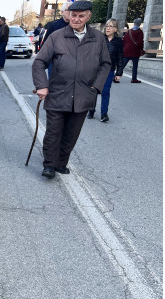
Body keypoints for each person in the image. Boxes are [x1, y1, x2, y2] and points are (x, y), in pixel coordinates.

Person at [32, 0, 111, 179]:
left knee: (71, 133)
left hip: (84, 94)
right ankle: (50, 165)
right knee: (54, 132)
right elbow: (39, 62)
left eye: (80, 16)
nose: (76, 19)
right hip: (58, 92)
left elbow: (105, 64)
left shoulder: (98, 38)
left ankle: (61, 163)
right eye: (73, 15)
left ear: (88, 16)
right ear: (67, 15)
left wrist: (95, 87)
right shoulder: (57, 36)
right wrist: (42, 86)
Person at [87, 19, 123, 122]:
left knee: (105, 92)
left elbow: (120, 57)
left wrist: (119, 72)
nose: (108, 28)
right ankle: (91, 110)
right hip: (96, 69)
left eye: (111, 26)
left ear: (115, 29)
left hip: (109, 70)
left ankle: (104, 114)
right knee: (93, 90)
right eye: (107, 26)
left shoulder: (118, 41)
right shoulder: (100, 38)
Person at [122, 18, 144, 83]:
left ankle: (115, 77)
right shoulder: (140, 32)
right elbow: (140, 42)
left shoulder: (129, 31)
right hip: (135, 51)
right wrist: (141, 50)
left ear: (134, 23)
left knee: (123, 65)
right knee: (135, 66)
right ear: (140, 24)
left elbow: (124, 40)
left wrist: (124, 48)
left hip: (126, 50)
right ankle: (134, 79)